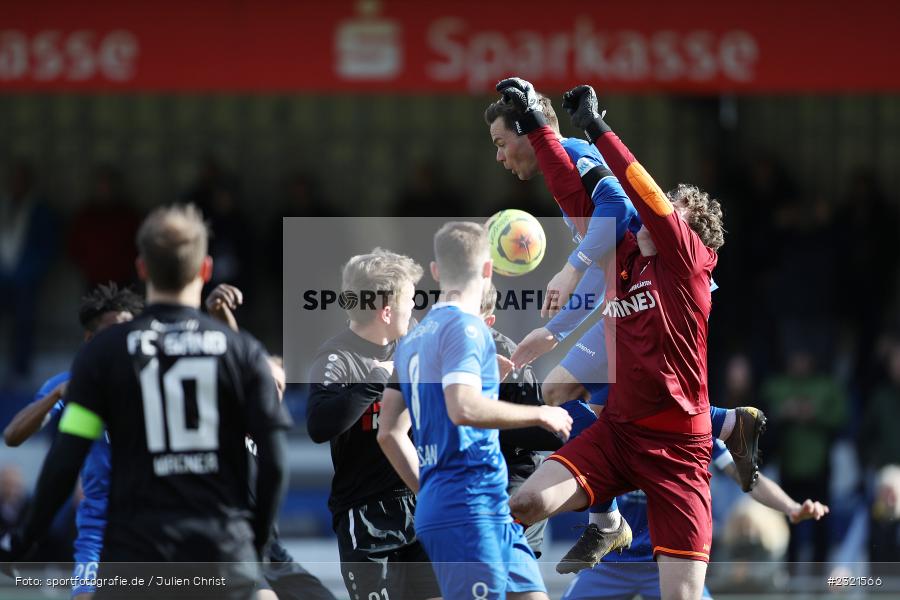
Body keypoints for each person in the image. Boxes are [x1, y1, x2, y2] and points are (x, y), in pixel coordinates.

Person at [488, 78, 766, 571]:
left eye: (500, 143)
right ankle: (719, 428)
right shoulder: (569, 182)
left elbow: (620, 207)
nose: (499, 157)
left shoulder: (578, 157)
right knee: (582, 397)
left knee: (561, 392)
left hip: (661, 307)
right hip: (630, 302)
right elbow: (606, 266)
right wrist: (554, 330)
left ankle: (616, 511)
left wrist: (570, 265)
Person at [2, 204, 290, 600]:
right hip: (220, 549)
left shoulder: (105, 358)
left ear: (141, 268)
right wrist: (254, 547)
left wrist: (22, 538)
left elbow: (66, 459)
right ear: (205, 269)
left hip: (134, 550)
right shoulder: (243, 352)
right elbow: (274, 460)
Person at [377, 221, 572, 600]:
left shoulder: (414, 337)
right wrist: (539, 415)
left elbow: (389, 431)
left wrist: (429, 489)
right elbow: (463, 407)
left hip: (488, 506)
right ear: (488, 270)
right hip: (468, 506)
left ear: (436, 271)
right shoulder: (468, 328)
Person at [305, 249, 440, 600]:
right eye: (410, 299)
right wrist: (372, 382)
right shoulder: (336, 357)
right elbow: (319, 426)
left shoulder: (413, 342)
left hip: (419, 501)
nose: (415, 307)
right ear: (385, 311)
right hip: (366, 517)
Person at [3, 282, 142, 600]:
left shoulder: (155, 381)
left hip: (152, 522)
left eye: (129, 331)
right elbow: (12, 436)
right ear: (91, 339)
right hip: (97, 530)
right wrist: (55, 394)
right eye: (113, 332)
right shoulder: (71, 385)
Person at [561, 439, 829, 600]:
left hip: (670, 562)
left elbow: (747, 477)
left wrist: (791, 507)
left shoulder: (698, 423)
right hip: (612, 562)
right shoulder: (614, 420)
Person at [206, 284, 335, 600]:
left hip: (272, 553)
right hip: (230, 551)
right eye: (265, 382)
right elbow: (239, 365)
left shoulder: (266, 434)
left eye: (278, 386)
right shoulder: (230, 420)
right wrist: (222, 315)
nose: (271, 391)